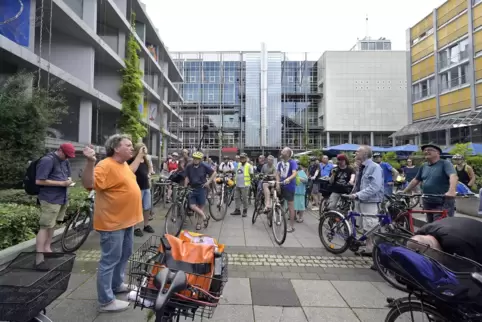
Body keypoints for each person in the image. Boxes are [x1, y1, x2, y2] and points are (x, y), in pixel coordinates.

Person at [81, 134, 144, 312]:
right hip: (112, 223)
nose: (132, 148)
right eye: (128, 145)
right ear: (116, 148)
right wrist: (90, 162)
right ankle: (106, 301)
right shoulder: (105, 164)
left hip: (126, 221)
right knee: (109, 260)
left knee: (124, 254)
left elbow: (128, 175)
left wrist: (139, 158)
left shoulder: (123, 164)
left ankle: (116, 285)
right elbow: (88, 183)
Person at [34, 143, 75, 268]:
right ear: (60, 151)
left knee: (53, 224)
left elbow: (67, 175)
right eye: (66, 155)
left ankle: (47, 249)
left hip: (61, 198)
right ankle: (39, 259)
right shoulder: (47, 160)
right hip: (50, 198)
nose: (67, 158)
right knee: (45, 226)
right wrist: (62, 183)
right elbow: (39, 180)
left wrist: (68, 181)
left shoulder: (65, 161)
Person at [402, 144, 457, 222]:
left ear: (437, 153)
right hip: (428, 201)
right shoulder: (424, 166)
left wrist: (451, 191)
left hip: (442, 202)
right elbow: (416, 180)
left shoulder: (445, 164)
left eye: (429, 150)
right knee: (430, 225)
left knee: (440, 226)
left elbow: (453, 176)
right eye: (425, 150)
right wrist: (404, 191)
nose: (426, 151)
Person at [348, 145, 384, 255]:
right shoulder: (361, 167)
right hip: (360, 199)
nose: (355, 153)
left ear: (365, 154)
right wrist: (353, 193)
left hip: (370, 200)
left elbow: (374, 186)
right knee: (364, 225)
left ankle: (371, 249)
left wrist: (357, 195)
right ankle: (368, 247)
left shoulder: (374, 167)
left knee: (371, 225)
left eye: (358, 151)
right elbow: (358, 183)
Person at [409, 217, 482, 264]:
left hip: (475, 236)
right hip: (462, 227)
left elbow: (467, 267)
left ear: (433, 249)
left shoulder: (455, 245)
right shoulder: (421, 232)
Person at [184, 151, 217, 230]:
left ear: (200, 159)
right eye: (194, 158)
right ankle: (204, 216)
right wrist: (185, 187)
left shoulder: (204, 166)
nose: (195, 160)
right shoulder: (189, 166)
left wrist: (208, 182)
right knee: (192, 206)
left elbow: (214, 173)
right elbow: (187, 177)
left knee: (200, 206)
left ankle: (199, 224)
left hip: (201, 188)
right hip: (192, 188)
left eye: (197, 159)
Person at [128, 143, 155, 237]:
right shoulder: (132, 160)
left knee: (147, 207)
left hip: (146, 187)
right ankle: (136, 227)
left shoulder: (146, 161)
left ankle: (146, 225)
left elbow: (148, 171)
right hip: (137, 187)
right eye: (142, 149)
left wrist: (149, 178)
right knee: (136, 208)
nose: (144, 151)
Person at [276, 147, 298, 232]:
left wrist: (289, 179)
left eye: (283, 151)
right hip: (281, 185)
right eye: (282, 151)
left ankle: (291, 226)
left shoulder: (292, 162)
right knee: (279, 203)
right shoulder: (279, 163)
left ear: (288, 154)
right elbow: (277, 174)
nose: (281, 152)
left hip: (289, 186)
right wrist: (277, 183)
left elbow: (295, 173)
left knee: (290, 205)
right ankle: (278, 219)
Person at [231, 153, 254, 217]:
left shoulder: (249, 166)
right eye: (241, 158)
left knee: (244, 198)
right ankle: (237, 210)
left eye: (243, 158)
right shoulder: (238, 165)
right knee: (236, 197)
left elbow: (252, 175)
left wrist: (249, 181)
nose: (242, 159)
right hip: (238, 184)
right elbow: (237, 173)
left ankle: (245, 210)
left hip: (245, 185)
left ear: (246, 158)